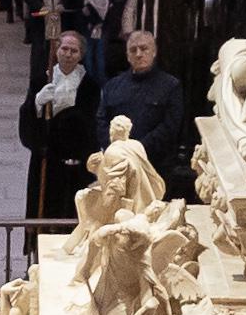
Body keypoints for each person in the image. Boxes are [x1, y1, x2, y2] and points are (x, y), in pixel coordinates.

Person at [97, 28, 192, 205]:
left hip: (156, 166)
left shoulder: (170, 86)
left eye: (144, 48)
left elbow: (170, 127)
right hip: (118, 168)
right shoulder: (113, 86)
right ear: (127, 55)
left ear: (154, 51)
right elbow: (102, 121)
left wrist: (136, 150)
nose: (138, 54)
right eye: (133, 50)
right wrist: (115, 152)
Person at [24, 29, 101, 221]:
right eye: (64, 49)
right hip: (47, 156)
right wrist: (37, 103)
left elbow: (90, 121)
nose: (68, 54)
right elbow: (27, 118)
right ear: (56, 51)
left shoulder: (90, 85)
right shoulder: (41, 79)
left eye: (73, 51)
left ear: (81, 55)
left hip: (77, 158)